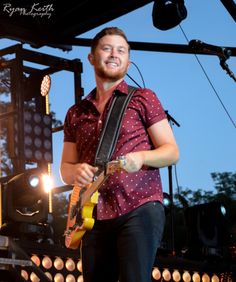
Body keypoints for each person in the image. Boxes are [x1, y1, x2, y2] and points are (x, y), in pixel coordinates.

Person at [60, 26, 179, 282]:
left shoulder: (143, 99)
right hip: (92, 215)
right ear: (91, 57)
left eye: (121, 50)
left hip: (139, 206)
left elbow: (171, 152)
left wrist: (142, 158)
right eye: (107, 48)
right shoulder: (75, 113)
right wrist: (76, 171)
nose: (114, 54)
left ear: (128, 60)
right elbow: (65, 168)